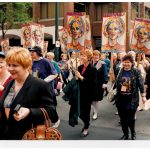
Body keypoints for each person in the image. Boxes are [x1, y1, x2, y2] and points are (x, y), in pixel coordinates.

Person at [0, 48, 59, 139]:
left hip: (27, 136)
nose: (10, 69)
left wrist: (30, 111)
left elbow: (52, 112)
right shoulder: (10, 83)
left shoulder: (40, 85)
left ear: (26, 66)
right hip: (6, 134)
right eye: (8, 65)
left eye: (15, 65)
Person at [115, 54, 146, 140]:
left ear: (132, 63)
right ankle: (125, 134)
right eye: (124, 62)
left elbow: (140, 84)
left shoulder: (136, 71)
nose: (126, 64)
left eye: (128, 62)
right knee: (122, 118)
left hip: (132, 99)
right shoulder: (119, 70)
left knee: (131, 118)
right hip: (121, 98)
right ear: (122, 62)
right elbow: (116, 83)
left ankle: (133, 133)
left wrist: (143, 96)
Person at [29, 46, 60, 127]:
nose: (31, 53)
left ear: (38, 53)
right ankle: (41, 123)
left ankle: (56, 120)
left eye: (33, 52)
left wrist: (43, 81)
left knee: (50, 106)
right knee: (37, 106)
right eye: (30, 52)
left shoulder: (45, 62)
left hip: (46, 88)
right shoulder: (30, 62)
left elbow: (55, 73)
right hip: (34, 88)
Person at [75, 50, 97, 137]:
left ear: (88, 58)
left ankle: (86, 127)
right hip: (80, 92)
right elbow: (78, 81)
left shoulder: (93, 69)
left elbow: (92, 83)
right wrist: (76, 77)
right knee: (78, 111)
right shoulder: (79, 67)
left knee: (86, 112)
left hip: (88, 94)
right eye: (81, 55)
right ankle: (86, 123)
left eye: (83, 56)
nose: (81, 57)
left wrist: (81, 77)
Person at [91, 50, 108, 120]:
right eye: (94, 55)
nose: (96, 56)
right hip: (90, 84)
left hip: (99, 84)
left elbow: (105, 74)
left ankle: (95, 112)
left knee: (96, 99)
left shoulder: (102, 63)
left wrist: (105, 83)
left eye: (97, 55)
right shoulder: (89, 63)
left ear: (99, 56)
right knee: (90, 99)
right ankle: (94, 109)